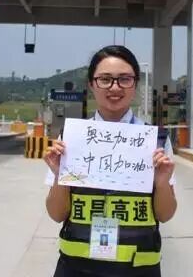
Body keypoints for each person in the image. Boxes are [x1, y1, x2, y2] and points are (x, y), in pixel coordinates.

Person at [44, 45, 177, 277]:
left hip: (138, 269)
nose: (115, 87)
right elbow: (57, 214)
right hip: (77, 268)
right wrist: (58, 176)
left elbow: (165, 215)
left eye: (124, 79)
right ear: (91, 84)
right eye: (105, 79)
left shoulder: (155, 141)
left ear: (135, 84)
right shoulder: (72, 139)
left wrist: (162, 183)